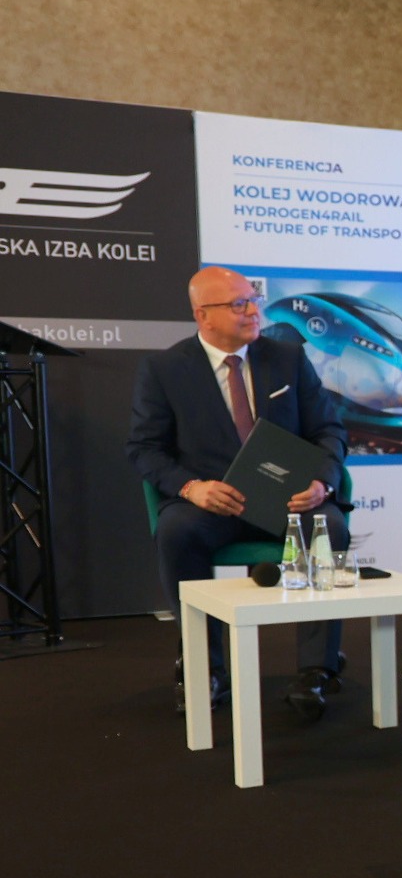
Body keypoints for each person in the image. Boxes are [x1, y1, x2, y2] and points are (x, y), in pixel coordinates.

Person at [127, 266, 350, 718]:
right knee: (177, 531)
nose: (253, 311)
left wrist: (322, 482)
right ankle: (205, 667)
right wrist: (192, 488)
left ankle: (317, 669)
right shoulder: (165, 369)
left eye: (253, 300)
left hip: (287, 501)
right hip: (213, 505)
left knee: (326, 523)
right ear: (203, 315)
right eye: (238, 304)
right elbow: (144, 449)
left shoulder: (288, 358)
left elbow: (329, 430)